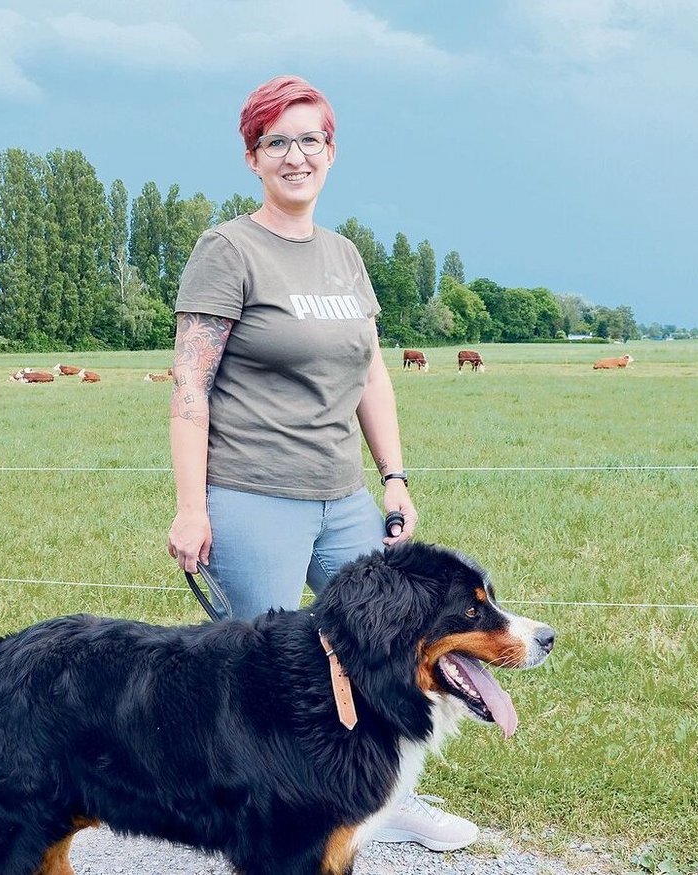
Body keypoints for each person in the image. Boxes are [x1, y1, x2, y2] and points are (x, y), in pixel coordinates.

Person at [165, 74, 478, 853]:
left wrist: (394, 477)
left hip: (344, 497)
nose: (295, 154)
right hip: (253, 496)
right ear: (252, 157)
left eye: (310, 139)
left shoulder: (344, 257)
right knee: (268, 686)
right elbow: (190, 383)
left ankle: (387, 796)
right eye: (277, 141)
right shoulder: (228, 249)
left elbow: (370, 373)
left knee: (386, 652)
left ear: (330, 152)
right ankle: (260, 830)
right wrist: (191, 505)